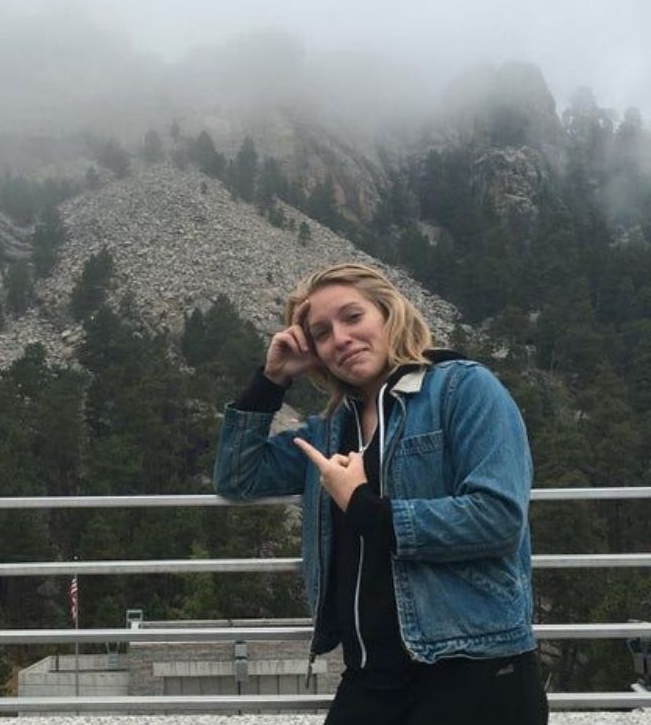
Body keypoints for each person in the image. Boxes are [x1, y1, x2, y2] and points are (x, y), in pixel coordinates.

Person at [213, 262, 547, 725]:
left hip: (474, 667)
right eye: (322, 333)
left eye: (353, 317)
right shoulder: (330, 432)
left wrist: (364, 506)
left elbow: (497, 518)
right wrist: (271, 381)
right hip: (371, 675)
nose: (341, 339)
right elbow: (238, 477)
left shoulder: (464, 389)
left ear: (389, 312)